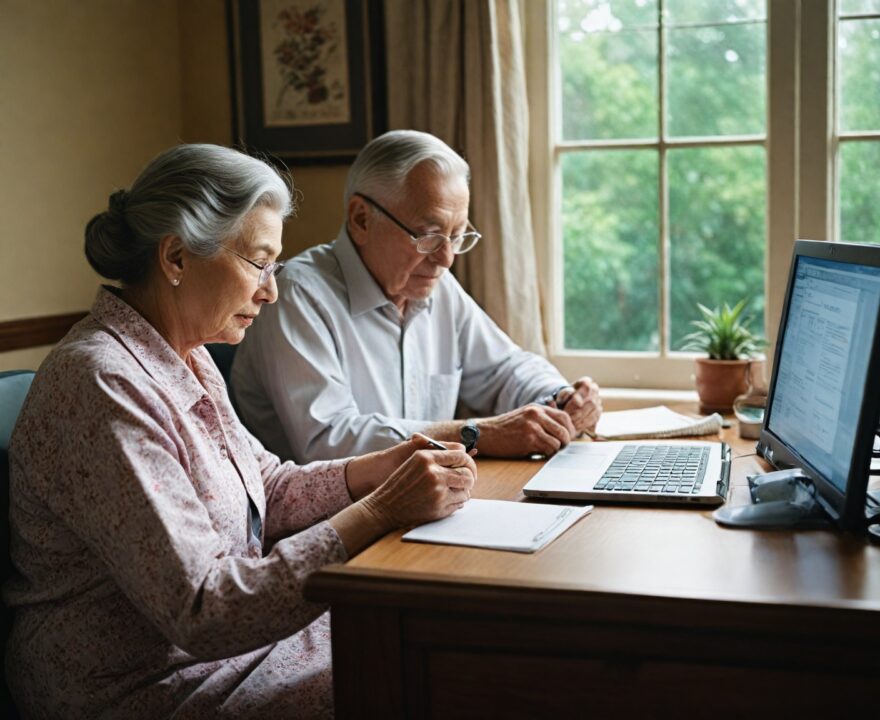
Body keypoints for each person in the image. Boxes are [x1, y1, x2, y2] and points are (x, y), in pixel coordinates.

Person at [3, 144, 475, 720]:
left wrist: (381, 468)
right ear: (176, 257)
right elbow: (204, 608)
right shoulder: (102, 383)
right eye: (258, 263)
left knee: (429, 640)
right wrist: (379, 512)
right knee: (418, 674)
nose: (271, 291)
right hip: (137, 683)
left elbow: (266, 488)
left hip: (220, 654)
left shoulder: (188, 357)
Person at [231, 130, 602, 464]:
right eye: (429, 235)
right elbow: (330, 442)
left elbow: (504, 370)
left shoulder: (436, 286)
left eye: (458, 235)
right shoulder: (298, 295)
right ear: (361, 219)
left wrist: (559, 397)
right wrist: (478, 434)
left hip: (420, 509)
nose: (446, 257)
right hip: (329, 523)